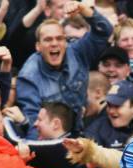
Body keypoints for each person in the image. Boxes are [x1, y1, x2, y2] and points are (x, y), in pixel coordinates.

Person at [17, 1, 113, 139]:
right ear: (38, 46)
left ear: (66, 42)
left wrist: (84, 10)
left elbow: (105, 31)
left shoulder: (77, 52)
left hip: (82, 130)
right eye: (48, 40)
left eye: (59, 38)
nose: (54, 43)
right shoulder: (28, 76)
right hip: (53, 139)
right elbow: (35, 124)